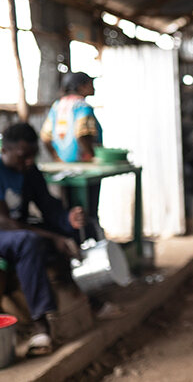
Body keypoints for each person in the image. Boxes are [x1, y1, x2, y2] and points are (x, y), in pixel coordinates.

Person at [0, 123, 85, 356]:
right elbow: (5, 222)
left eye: (32, 156)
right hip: (5, 232)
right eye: (22, 156)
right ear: (4, 151)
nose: (28, 162)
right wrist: (53, 236)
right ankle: (41, 326)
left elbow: (47, 206)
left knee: (68, 233)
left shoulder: (30, 172)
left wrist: (68, 220)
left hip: (19, 232)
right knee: (29, 241)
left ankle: (81, 295)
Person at [40, 71, 103, 239]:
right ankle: (90, 242)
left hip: (64, 168)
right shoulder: (82, 106)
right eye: (90, 83)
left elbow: (45, 137)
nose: (93, 87)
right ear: (82, 86)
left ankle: (75, 239)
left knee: (69, 208)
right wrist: (91, 155)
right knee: (88, 211)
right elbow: (82, 133)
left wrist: (57, 157)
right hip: (85, 168)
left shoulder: (57, 106)